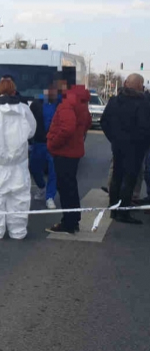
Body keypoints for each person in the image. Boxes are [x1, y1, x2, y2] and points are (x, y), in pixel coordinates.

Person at [0, 78, 36, 239]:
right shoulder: (24, 109)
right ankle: (18, 231)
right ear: (14, 91)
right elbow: (32, 131)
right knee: (19, 198)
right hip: (18, 163)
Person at [100, 74, 150, 224]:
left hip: (118, 146)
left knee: (117, 176)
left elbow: (104, 122)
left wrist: (114, 138)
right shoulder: (142, 103)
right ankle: (123, 212)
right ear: (138, 86)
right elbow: (145, 128)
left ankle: (114, 209)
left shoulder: (114, 101)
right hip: (135, 148)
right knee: (129, 180)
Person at [46, 84, 91, 234]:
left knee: (65, 188)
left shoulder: (67, 103)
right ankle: (73, 219)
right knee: (71, 187)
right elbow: (87, 122)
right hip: (74, 150)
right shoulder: (81, 102)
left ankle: (68, 223)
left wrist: (52, 143)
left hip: (64, 152)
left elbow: (67, 128)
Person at [29, 80, 61, 209]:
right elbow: (29, 121)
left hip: (54, 144)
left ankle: (50, 197)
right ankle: (41, 187)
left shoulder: (60, 104)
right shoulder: (36, 104)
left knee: (53, 171)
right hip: (39, 142)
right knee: (34, 167)